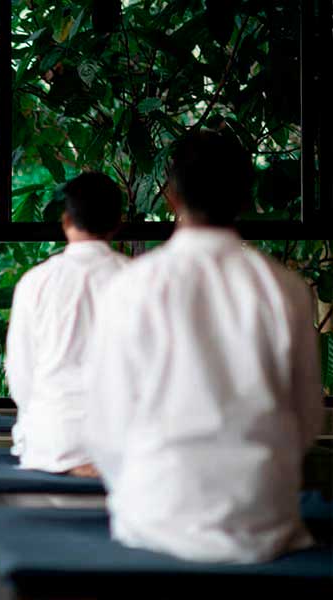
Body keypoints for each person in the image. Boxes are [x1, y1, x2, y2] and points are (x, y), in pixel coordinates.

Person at [84, 130, 323, 563]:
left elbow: (105, 424)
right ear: (246, 199)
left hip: (154, 515)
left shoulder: (132, 286)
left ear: (172, 197)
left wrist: (145, 487)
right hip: (263, 521)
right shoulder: (285, 289)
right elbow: (307, 418)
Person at [4, 171, 128, 477]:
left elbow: (20, 375)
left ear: (66, 221)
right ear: (117, 223)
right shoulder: (139, 279)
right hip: (121, 442)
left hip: (53, 441)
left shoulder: (36, 282)